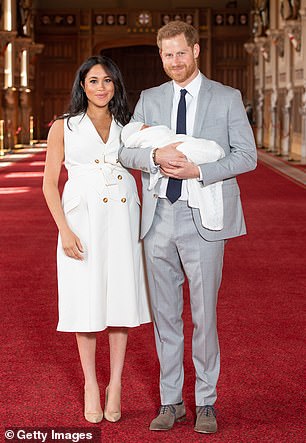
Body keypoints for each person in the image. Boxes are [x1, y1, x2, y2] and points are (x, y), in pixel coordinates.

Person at [119, 21, 257, 434]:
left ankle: (207, 402)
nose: (174, 62)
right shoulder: (150, 98)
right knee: (165, 318)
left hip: (204, 218)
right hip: (158, 218)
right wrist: (154, 155)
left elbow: (247, 156)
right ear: (160, 57)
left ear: (195, 51)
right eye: (167, 55)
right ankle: (171, 400)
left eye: (181, 53)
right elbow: (127, 150)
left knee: (204, 316)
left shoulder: (226, 97)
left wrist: (201, 169)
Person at [42, 55, 151, 424]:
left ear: (116, 85)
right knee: (86, 301)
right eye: (93, 81)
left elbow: (149, 159)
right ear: (82, 86)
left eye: (107, 80)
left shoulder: (129, 125)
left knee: (120, 299)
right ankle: (91, 382)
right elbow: (48, 183)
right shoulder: (64, 126)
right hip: (82, 221)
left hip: (123, 217)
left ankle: (115, 383)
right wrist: (64, 230)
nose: (101, 87)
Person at [121, 121, 225, 230]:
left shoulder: (229, 104)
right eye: (145, 127)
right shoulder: (145, 109)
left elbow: (243, 154)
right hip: (159, 210)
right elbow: (124, 153)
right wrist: (155, 155)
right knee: (189, 150)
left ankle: (212, 151)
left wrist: (198, 171)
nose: (149, 127)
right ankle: (212, 151)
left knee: (200, 148)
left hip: (194, 205)